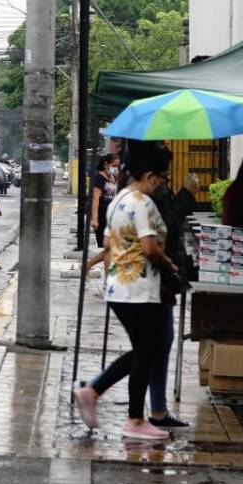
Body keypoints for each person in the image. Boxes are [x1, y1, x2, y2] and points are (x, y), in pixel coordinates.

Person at [71, 142, 176, 441]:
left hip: (119, 287)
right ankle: (131, 418)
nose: (163, 183)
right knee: (147, 351)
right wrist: (171, 265)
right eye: (164, 177)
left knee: (146, 350)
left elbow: (107, 244)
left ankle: (96, 392)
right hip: (140, 288)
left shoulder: (118, 199)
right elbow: (150, 248)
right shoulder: (142, 202)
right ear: (152, 175)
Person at [145, 170, 200, 428]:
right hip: (155, 277)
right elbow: (164, 229)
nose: (167, 177)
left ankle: (157, 410)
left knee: (160, 342)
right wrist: (187, 195)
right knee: (151, 346)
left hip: (161, 278)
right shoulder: (146, 196)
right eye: (164, 173)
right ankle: (95, 388)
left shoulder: (153, 191)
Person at [90, 153, 120, 247]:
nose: (115, 168)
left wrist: (118, 177)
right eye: (114, 166)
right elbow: (95, 198)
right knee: (104, 245)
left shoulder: (113, 177)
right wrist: (95, 219)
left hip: (113, 216)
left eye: (117, 166)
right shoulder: (99, 177)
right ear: (106, 164)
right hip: (102, 215)